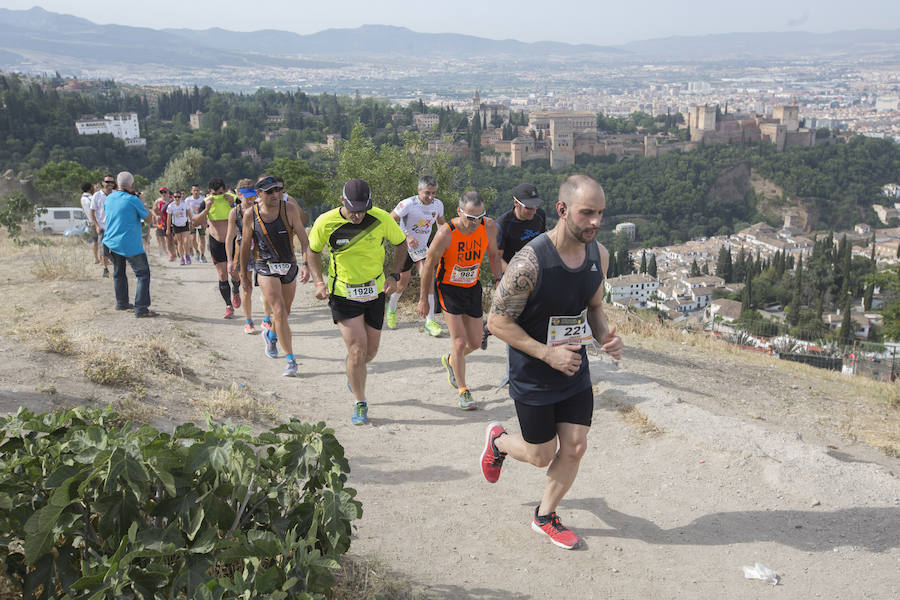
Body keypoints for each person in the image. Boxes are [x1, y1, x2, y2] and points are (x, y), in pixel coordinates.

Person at [480, 174, 623, 550]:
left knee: (575, 446)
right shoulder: (529, 263)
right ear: (562, 210)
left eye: (600, 214)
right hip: (533, 374)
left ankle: (545, 515)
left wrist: (605, 335)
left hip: (574, 368)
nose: (595, 222)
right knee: (541, 455)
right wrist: (546, 354)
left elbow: (593, 307)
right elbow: (496, 322)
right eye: (586, 213)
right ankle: (499, 442)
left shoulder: (599, 256)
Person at [307, 179, 407, 425]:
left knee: (369, 353)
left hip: (375, 292)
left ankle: (354, 371)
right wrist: (318, 282)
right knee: (357, 350)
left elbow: (401, 244)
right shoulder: (325, 222)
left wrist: (395, 275)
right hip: (343, 293)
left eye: (362, 210)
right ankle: (360, 402)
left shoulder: (381, 218)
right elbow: (312, 250)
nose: (358, 216)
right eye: (353, 210)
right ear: (342, 202)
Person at [417, 191, 500, 410]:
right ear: (459, 212)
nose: (474, 223)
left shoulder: (488, 227)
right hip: (449, 289)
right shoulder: (446, 233)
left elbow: (493, 254)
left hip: (472, 288)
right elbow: (428, 266)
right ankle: (463, 391)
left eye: (479, 217)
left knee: (474, 342)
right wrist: (424, 299)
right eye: (470, 218)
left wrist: (498, 279)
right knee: (460, 341)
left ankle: (452, 361)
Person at [239, 175, 310, 376]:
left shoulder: (289, 210)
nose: (275, 194)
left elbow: (305, 241)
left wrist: (305, 264)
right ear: (259, 194)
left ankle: (271, 335)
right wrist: (243, 275)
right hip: (264, 265)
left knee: (285, 313)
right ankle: (290, 360)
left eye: (278, 190)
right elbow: (245, 247)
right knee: (278, 310)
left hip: (288, 265)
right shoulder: (250, 215)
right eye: (270, 191)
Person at [485, 182, 548, 354]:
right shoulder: (503, 224)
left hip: (537, 271)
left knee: (527, 317)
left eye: (535, 207)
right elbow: (497, 257)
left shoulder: (540, 216)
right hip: (512, 273)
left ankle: (488, 328)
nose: (533, 211)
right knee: (513, 321)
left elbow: (544, 244)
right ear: (516, 204)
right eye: (528, 208)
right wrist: (502, 278)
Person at [387, 175, 445, 335]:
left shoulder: (438, 204)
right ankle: (391, 309)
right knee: (402, 284)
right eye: (427, 193)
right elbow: (389, 221)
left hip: (422, 249)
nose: (431, 196)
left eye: (434, 193)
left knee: (428, 278)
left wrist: (443, 235)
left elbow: (441, 222)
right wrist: (407, 237)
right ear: (418, 190)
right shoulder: (408, 204)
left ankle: (430, 321)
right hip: (405, 247)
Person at [101, 171, 157, 318]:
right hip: (129, 244)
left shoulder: (109, 198)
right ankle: (141, 308)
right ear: (132, 185)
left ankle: (121, 302)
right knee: (143, 274)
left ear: (117, 184)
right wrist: (142, 201)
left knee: (119, 272)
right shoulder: (134, 200)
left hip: (110, 242)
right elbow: (150, 219)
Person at [192, 178, 242, 318]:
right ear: (209, 192)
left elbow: (247, 215)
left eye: (220, 193)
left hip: (233, 242)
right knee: (222, 274)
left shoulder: (233, 199)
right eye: (215, 194)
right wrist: (206, 209)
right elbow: (195, 221)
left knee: (234, 273)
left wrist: (233, 205)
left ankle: (236, 290)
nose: (217, 197)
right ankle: (228, 306)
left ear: (225, 190)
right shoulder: (206, 201)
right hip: (216, 241)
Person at [227, 179, 259, 334]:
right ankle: (248, 321)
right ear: (238, 194)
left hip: (260, 251)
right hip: (242, 252)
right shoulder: (234, 212)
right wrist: (229, 261)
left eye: (252, 195)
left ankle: (266, 319)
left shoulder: (260, 209)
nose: (249, 199)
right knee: (247, 287)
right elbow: (229, 238)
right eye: (246, 196)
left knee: (266, 287)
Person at [90, 174, 114, 277]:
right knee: (103, 249)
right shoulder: (97, 195)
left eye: (111, 182)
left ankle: (116, 265)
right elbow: (92, 212)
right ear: (102, 183)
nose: (109, 184)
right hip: (103, 227)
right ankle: (105, 268)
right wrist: (97, 226)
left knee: (114, 249)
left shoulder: (116, 194)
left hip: (114, 227)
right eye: (107, 182)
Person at [166, 191, 192, 264]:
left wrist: (191, 222)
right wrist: (168, 229)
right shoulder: (171, 206)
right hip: (176, 225)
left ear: (181, 197)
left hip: (184, 224)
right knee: (179, 242)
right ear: (173, 198)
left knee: (186, 241)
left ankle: (187, 255)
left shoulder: (184, 204)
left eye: (178, 197)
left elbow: (189, 213)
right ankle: (182, 258)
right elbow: (169, 218)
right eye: (175, 197)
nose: (177, 198)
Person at [185, 184, 207, 262]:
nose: (196, 192)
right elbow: (186, 211)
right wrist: (188, 222)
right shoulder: (188, 200)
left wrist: (204, 222)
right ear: (191, 191)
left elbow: (206, 211)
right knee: (193, 238)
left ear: (199, 191)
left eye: (197, 190)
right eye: (194, 190)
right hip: (192, 222)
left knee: (202, 238)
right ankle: (197, 251)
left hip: (201, 221)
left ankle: (202, 255)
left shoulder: (203, 199)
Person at [80, 182, 100, 264]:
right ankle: (103, 258)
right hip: (97, 221)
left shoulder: (82, 198)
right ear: (90, 188)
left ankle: (96, 258)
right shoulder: (91, 198)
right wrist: (97, 191)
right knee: (101, 241)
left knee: (95, 241)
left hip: (90, 222)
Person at [153, 187, 171, 257]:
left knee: (169, 238)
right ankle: (165, 252)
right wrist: (156, 216)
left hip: (169, 222)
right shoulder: (158, 201)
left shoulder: (171, 200)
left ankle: (171, 251)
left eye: (164, 192)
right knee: (161, 237)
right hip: (160, 223)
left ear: (167, 192)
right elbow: (153, 211)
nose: (163, 194)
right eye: (161, 192)